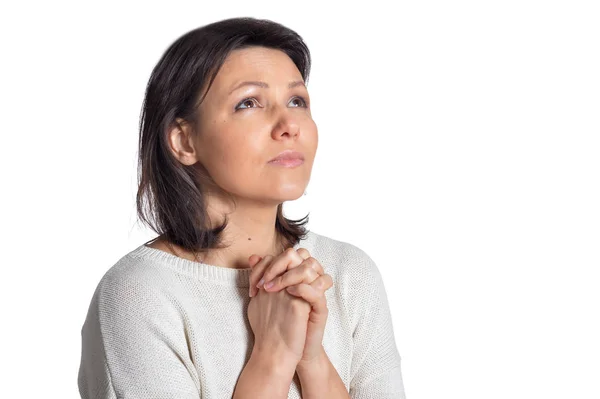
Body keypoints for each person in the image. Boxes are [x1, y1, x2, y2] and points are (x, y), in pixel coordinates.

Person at [77, 16, 406, 399]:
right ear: (184, 141)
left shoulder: (349, 273)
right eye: (248, 102)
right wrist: (273, 356)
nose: (289, 125)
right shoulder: (140, 294)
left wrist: (312, 360)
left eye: (297, 100)